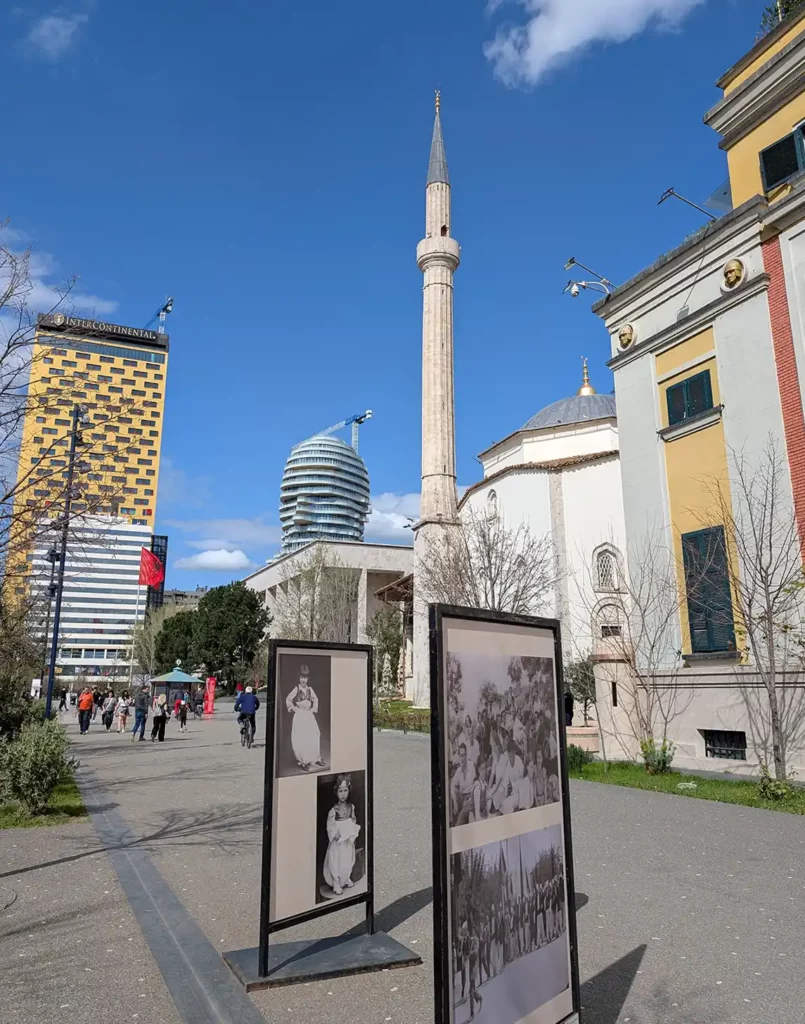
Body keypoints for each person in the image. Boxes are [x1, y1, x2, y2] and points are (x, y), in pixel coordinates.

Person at [323, 774, 360, 896]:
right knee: (336, 859)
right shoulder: (334, 810)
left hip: (347, 836)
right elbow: (330, 825)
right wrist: (335, 833)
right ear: (336, 792)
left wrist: (352, 829)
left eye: (345, 791)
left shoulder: (351, 807)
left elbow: (353, 819)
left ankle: (346, 877)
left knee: (348, 857)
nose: (343, 794)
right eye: (340, 791)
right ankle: (336, 881)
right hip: (338, 838)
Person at [285, 665, 323, 770]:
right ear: (299, 678)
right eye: (302, 677)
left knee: (314, 734)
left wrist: (313, 709)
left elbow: (315, 699)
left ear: (308, 679)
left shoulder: (310, 689)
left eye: (305, 678)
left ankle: (315, 758)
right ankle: (302, 761)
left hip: (308, 715)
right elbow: (288, 699)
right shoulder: (296, 689)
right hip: (300, 715)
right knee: (301, 737)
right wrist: (293, 708)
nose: (303, 680)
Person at [450, 743, 476, 826]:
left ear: (466, 755)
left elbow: (475, 784)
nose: (463, 758)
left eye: (464, 755)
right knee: (451, 795)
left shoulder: (471, 766)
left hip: (471, 799)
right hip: (462, 799)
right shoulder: (458, 771)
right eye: (461, 755)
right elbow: (452, 786)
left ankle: (456, 827)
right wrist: (455, 803)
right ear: (459, 756)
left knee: (461, 817)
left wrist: (470, 799)